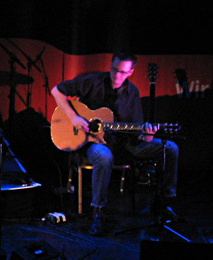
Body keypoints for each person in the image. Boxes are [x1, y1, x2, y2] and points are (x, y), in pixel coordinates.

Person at [51, 52, 179, 236]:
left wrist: (148, 136)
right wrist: (75, 117)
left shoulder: (132, 92)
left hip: (125, 145)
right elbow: (56, 91)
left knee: (171, 148)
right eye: (114, 70)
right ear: (110, 65)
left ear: (131, 72)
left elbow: (138, 134)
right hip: (94, 143)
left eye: (122, 72)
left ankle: (165, 203)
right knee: (104, 156)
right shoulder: (93, 82)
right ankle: (97, 212)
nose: (117, 76)